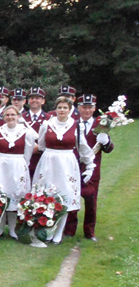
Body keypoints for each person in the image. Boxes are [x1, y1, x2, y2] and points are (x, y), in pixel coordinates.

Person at [34, 96, 95, 245]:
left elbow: (83, 147)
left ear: (70, 109)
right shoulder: (46, 124)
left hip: (67, 164)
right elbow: (41, 145)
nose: (62, 110)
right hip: (49, 162)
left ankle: (59, 233)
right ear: (55, 109)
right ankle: (47, 230)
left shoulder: (76, 126)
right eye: (59, 107)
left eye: (65, 108)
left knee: (65, 196)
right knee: (47, 195)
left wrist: (90, 166)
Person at [64, 94, 114, 241]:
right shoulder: (71, 123)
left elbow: (109, 149)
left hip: (93, 169)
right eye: (84, 107)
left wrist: (105, 142)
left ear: (94, 108)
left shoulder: (100, 126)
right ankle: (69, 230)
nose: (87, 110)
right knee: (71, 199)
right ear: (78, 108)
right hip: (73, 167)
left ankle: (89, 232)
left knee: (91, 201)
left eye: (90, 107)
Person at [0, 105, 34, 239]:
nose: (10, 117)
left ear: (19, 116)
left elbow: (28, 154)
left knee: (15, 197)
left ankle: (13, 229)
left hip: (17, 166)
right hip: (0, 166)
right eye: (7, 115)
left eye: (13, 115)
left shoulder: (26, 132)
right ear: (3, 117)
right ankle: (0, 227)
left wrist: (20, 165)